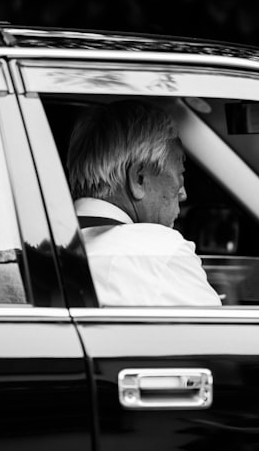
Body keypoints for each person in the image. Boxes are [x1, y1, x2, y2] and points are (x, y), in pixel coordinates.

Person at [66, 100, 222, 306]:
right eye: (180, 174)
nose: (183, 194)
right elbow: (224, 337)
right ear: (139, 179)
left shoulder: (39, 249)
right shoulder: (158, 252)